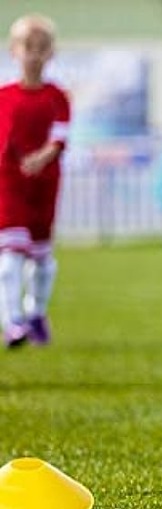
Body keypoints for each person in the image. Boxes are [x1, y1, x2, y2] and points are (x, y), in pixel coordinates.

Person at [0, 14, 70, 349]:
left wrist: (41, 158)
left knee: (42, 260)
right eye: (28, 47)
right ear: (14, 50)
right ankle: (12, 321)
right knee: (10, 257)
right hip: (10, 183)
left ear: (50, 53)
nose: (34, 54)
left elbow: (60, 137)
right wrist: (16, 161)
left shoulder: (57, 97)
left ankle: (36, 312)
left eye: (41, 48)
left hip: (44, 184)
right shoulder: (4, 96)